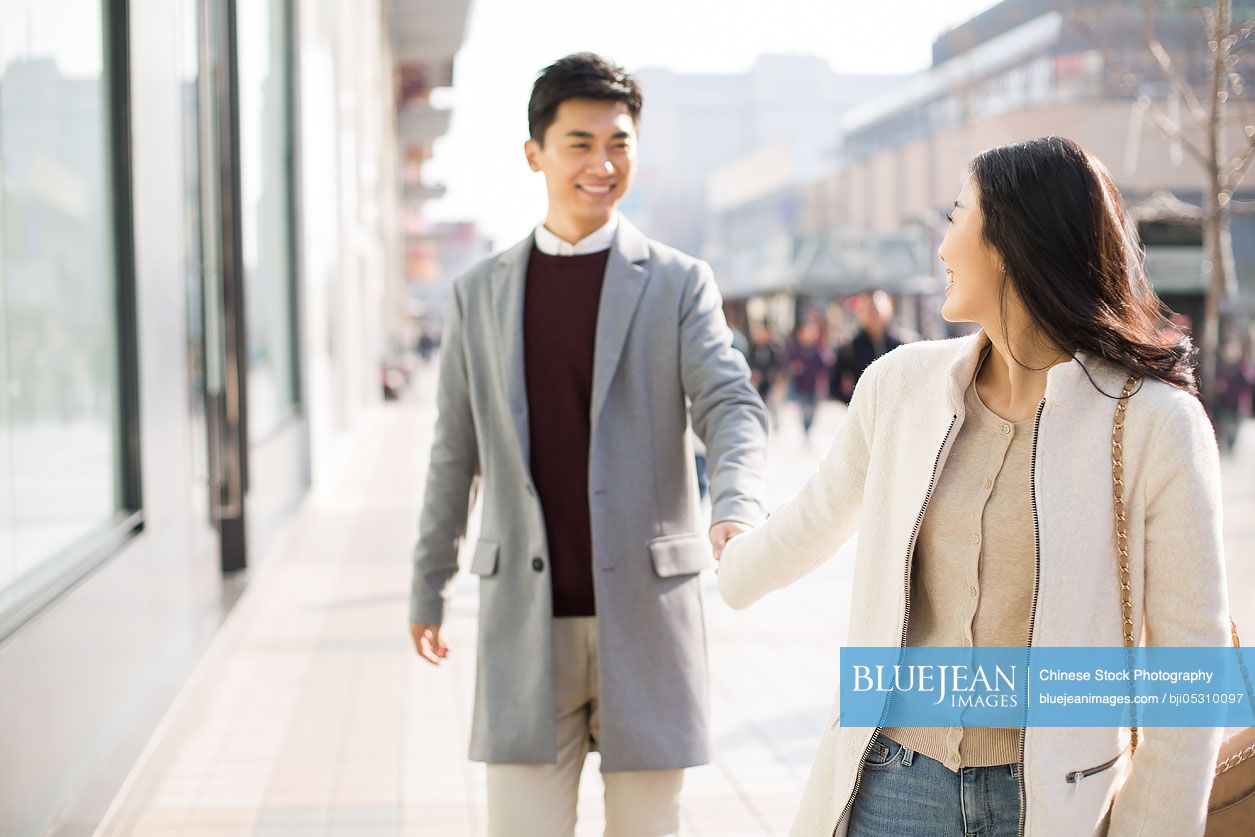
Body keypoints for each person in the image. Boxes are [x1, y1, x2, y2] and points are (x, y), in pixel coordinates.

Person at [716, 137, 1230, 836]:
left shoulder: (1153, 424)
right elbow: (814, 516)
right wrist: (728, 562)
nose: (941, 248)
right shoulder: (900, 385)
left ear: (1011, 243)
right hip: (891, 783)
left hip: (1053, 801)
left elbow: (1189, 672)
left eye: (956, 218)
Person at [408, 53, 767, 837]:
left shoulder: (678, 283)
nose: (602, 164)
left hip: (646, 617)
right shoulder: (480, 293)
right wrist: (427, 584)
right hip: (521, 624)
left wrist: (734, 501)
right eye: (579, 143)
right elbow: (452, 452)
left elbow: (729, 401)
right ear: (534, 152)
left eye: (619, 142)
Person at [830, 290, 906, 404]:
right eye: (869, 310)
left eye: (877, 310)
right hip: (865, 414)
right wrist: (855, 404)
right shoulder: (850, 347)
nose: (874, 315)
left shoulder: (899, 344)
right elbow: (834, 386)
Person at [785, 319, 833, 440]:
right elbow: (787, 364)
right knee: (804, 409)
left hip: (815, 386)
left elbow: (827, 365)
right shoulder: (796, 350)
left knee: (812, 410)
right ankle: (805, 428)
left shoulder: (819, 350)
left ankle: (808, 427)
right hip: (801, 386)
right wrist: (794, 368)